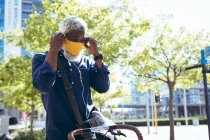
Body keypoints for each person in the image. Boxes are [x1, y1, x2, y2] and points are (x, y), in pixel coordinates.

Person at [32, 16, 110, 140]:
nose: (78, 44)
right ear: (61, 37)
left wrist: (96, 55)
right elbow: (43, 85)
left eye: (82, 40)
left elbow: (103, 87)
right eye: (74, 39)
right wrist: (53, 50)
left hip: (87, 133)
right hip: (59, 135)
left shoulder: (87, 62)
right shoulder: (41, 58)